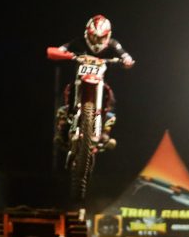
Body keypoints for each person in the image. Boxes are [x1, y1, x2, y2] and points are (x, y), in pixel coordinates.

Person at [51, 15, 134, 150]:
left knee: (110, 98)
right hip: (80, 81)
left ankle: (105, 133)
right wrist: (61, 53)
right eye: (94, 37)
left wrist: (126, 60)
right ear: (87, 34)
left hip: (100, 83)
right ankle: (62, 129)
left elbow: (124, 54)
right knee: (68, 92)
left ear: (107, 35)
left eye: (101, 38)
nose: (97, 41)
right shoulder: (79, 42)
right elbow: (61, 49)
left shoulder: (113, 44)